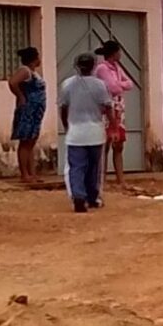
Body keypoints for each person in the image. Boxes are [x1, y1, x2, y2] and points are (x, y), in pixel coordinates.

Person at [59, 53, 113, 213]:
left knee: (76, 167)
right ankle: (92, 197)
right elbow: (108, 108)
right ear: (94, 66)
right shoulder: (100, 85)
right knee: (94, 168)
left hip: (75, 133)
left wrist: (66, 126)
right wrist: (114, 127)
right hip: (95, 132)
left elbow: (63, 108)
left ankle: (78, 196)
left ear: (77, 66)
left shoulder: (67, 84)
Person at [94, 40, 134, 188]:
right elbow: (113, 88)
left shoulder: (117, 68)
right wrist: (120, 85)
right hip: (106, 109)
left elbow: (129, 83)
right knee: (105, 145)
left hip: (118, 109)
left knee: (119, 145)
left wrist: (120, 85)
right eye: (119, 51)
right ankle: (101, 179)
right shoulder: (102, 69)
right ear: (114, 53)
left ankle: (120, 179)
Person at [8, 46, 46, 184]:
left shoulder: (33, 73)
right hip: (28, 111)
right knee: (25, 141)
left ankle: (32, 174)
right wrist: (21, 96)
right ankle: (25, 174)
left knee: (31, 142)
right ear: (34, 59)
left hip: (35, 112)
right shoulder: (25, 71)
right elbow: (12, 82)